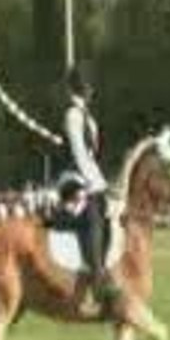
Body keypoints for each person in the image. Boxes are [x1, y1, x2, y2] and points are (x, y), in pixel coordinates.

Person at [59, 63, 117, 315]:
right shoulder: (72, 115)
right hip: (72, 179)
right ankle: (97, 280)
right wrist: (98, 184)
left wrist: (105, 184)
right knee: (93, 211)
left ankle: (105, 267)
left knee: (109, 212)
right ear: (79, 87)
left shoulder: (89, 120)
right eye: (86, 84)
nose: (89, 89)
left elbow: (93, 157)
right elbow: (79, 154)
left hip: (91, 178)